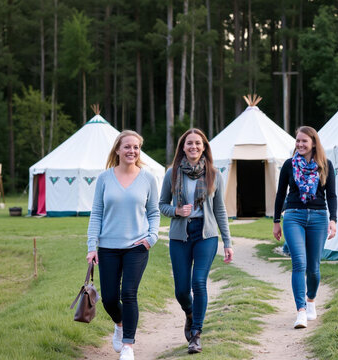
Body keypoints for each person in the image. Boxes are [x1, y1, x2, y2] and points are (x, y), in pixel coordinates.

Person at [87, 130, 160, 360]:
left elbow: (154, 212)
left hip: (137, 246)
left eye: (136, 147)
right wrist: (92, 246)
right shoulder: (104, 178)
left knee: (128, 293)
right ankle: (119, 324)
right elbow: (96, 213)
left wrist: (151, 238)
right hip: (108, 247)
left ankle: (128, 345)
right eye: (127, 146)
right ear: (117, 149)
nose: (132, 151)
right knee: (109, 298)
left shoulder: (148, 178)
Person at [159, 128, 234, 354]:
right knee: (182, 290)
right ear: (183, 147)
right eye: (189, 143)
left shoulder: (213, 173)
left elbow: (220, 210)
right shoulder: (172, 173)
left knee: (198, 282)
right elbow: (161, 205)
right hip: (180, 235)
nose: (193, 147)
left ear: (204, 147)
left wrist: (228, 243)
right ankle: (190, 314)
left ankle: (196, 335)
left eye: (198, 144)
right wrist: (177, 211)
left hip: (205, 235)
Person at [273, 126, 337, 329]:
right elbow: (280, 194)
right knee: (299, 263)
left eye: (304, 141)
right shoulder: (289, 165)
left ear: (313, 143)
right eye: (297, 141)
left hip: (318, 217)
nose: (300, 144)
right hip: (293, 216)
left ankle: (311, 301)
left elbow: (332, 195)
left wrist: (333, 220)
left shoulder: (325, 165)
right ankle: (300, 311)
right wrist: (276, 221)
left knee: (314, 268)